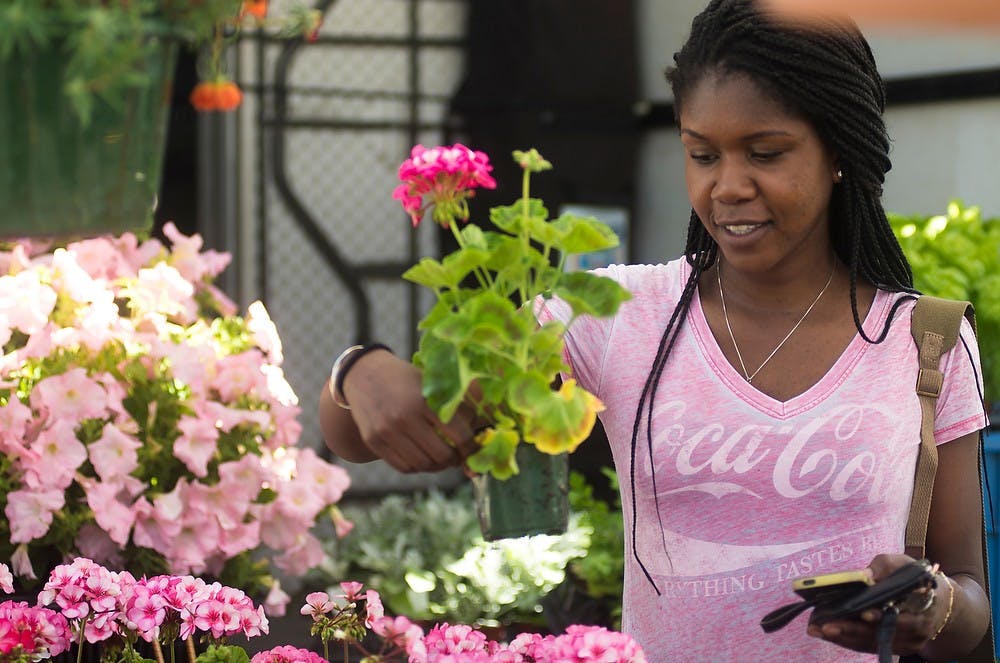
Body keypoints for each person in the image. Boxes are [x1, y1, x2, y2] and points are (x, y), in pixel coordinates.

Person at [318, 0, 991, 660]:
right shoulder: (616, 312)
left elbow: (972, 602)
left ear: (839, 150)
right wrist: (358, 372)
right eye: (703, 154)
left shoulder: (926, 340)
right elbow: (364, 431)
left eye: (765, 152)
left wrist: (931, 606)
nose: (728, 185)